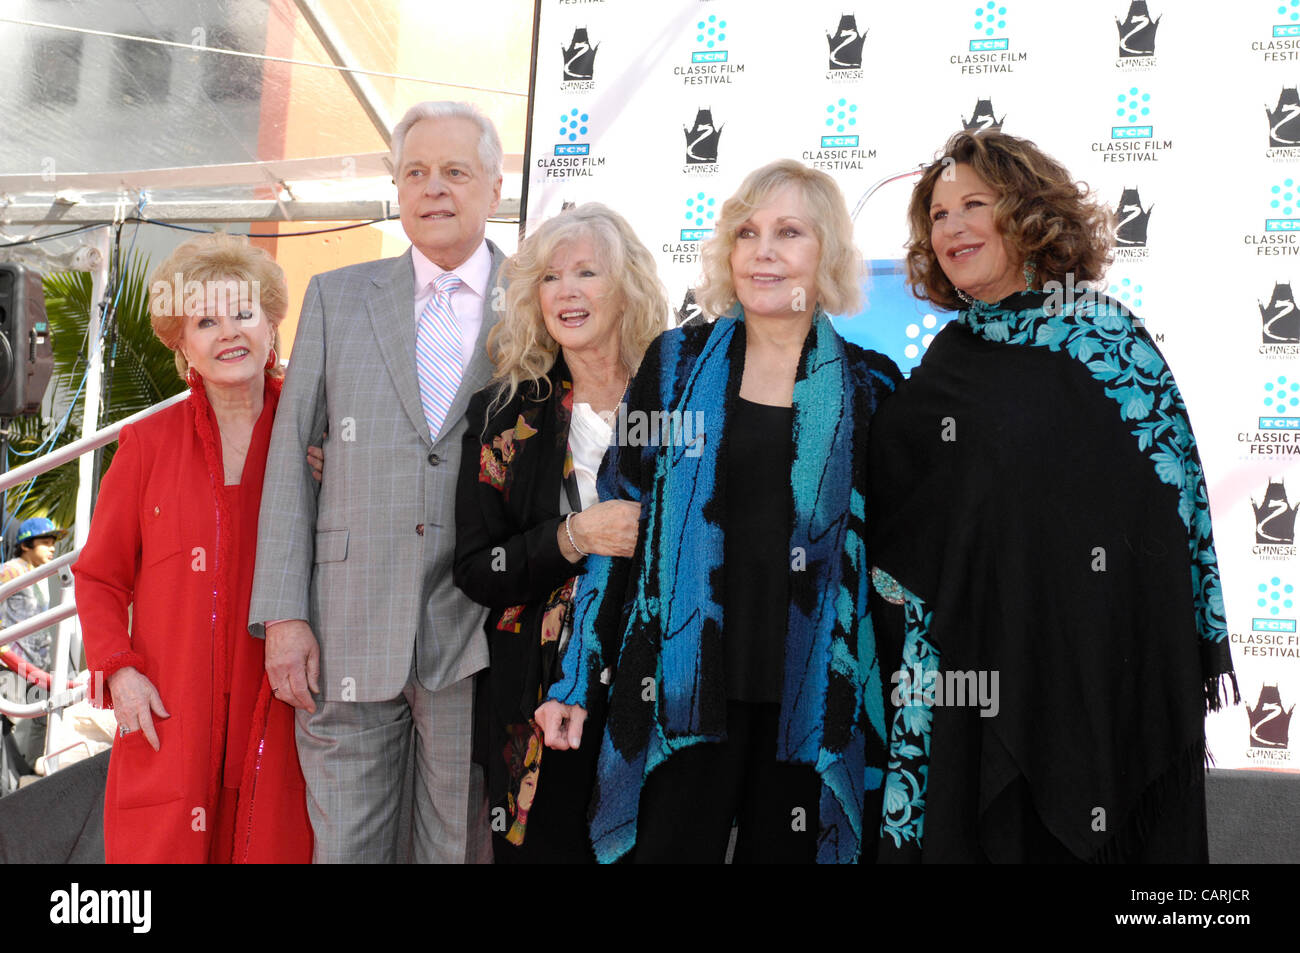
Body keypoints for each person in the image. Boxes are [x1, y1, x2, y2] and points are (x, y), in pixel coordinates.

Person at [869, 130, 1235, 863]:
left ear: (1028, 212)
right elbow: (891, 512)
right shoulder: (949, 361)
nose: (952, 228)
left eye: (974, 204)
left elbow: (1168, 519)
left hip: (1092, 682)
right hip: (972, 695)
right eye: (938, 216)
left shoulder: (1108, 344)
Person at [537, 160, 902, 863]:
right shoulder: (674, 367)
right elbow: (620, 524)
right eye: (747, 232)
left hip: (814, 712)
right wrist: (575, 678)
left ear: (824, 251)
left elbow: (897, 563)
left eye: (788, 232)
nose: (763, 250)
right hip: (681, 698)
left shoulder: (872, 386)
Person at [249, 100, 505, 863]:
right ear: (396, 187)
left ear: (494, 187)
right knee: (346, 850)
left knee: (456, 850)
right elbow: (293, 459)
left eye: (455, 171)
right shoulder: (334, 296)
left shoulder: (539, 302)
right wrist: (284, 617)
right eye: (415, 172)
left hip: (478, 633)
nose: (434, 189)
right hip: (343, 627)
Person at [73, 232, 312, 863]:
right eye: (205, 320)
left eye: (243, 312)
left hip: (286, 707)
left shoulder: (316, 436)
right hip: (172, 710)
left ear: (271, 323)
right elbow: (99, 576)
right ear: (182, 344)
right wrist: (119, 671)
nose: (228, 332)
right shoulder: (146, 445)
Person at [454, 203, 664, 862]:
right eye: (550, 277)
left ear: (625, 287)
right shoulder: (505, 415)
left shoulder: (680, 399)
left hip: (660, 692)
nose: (566, 291)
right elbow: (478, 568)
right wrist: (574, 536)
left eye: (586, 273)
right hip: (540, 703)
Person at [0, 517, 68, 771]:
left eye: (53, 543)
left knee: (42, 718)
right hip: (12, 663)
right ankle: (11, 782)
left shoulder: (38, 575)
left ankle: (29, 773)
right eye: (45, 542)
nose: (52, 548)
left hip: (36, 662)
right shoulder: (10, 570)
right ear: (26, 545)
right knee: (16, 722)